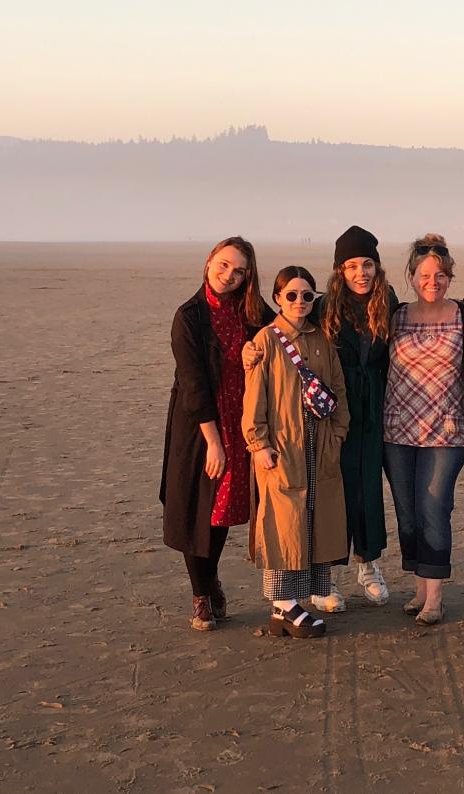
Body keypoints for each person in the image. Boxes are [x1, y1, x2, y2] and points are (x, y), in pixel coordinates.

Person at [160, 237, 273, 631]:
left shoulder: (252, 312)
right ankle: (201, 595)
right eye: (223, 265)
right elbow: (192, 384)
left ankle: (210, 581)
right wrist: (213, 442)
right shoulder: (189, 316)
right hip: (199, 425)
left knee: (222, 508)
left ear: (247, 276)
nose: (228, 275)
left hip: (241, 419)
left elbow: (286, 331)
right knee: (197, 509)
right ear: (209, 262)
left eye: (238, 270)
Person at [243, 267, 351, 638]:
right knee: (281, 524)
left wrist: (337, 435)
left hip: (318, 446)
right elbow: (254, 399)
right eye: (292, 295)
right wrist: (259, 445)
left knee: (311, 522)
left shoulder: (321, 339)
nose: (300, 302)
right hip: (281, 448)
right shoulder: (266, 340)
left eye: (307, 295)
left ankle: (288, 607)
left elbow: (338, 389)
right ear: (278, 298)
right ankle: (284, 605)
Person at [382, 235, 464, 626]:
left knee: (433, 505)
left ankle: (435, 597)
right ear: (411, 276)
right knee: (407, 513)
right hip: (397, 429)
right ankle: (421, 587)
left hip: (448, 430)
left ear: (449, 276)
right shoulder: (396, 315)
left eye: (440, 274)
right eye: (425, 274)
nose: (433, 281)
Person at [316, 225, 398, 609]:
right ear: (339, 270)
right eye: (351, 266)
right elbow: (283, 331)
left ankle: (369, 564)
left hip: (376, 409)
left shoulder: (388, 302)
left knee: (368, 489)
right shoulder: (323, 307)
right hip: (335, 411)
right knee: (335, 489)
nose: (360, 273)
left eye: (367, 264)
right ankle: (326, 575)